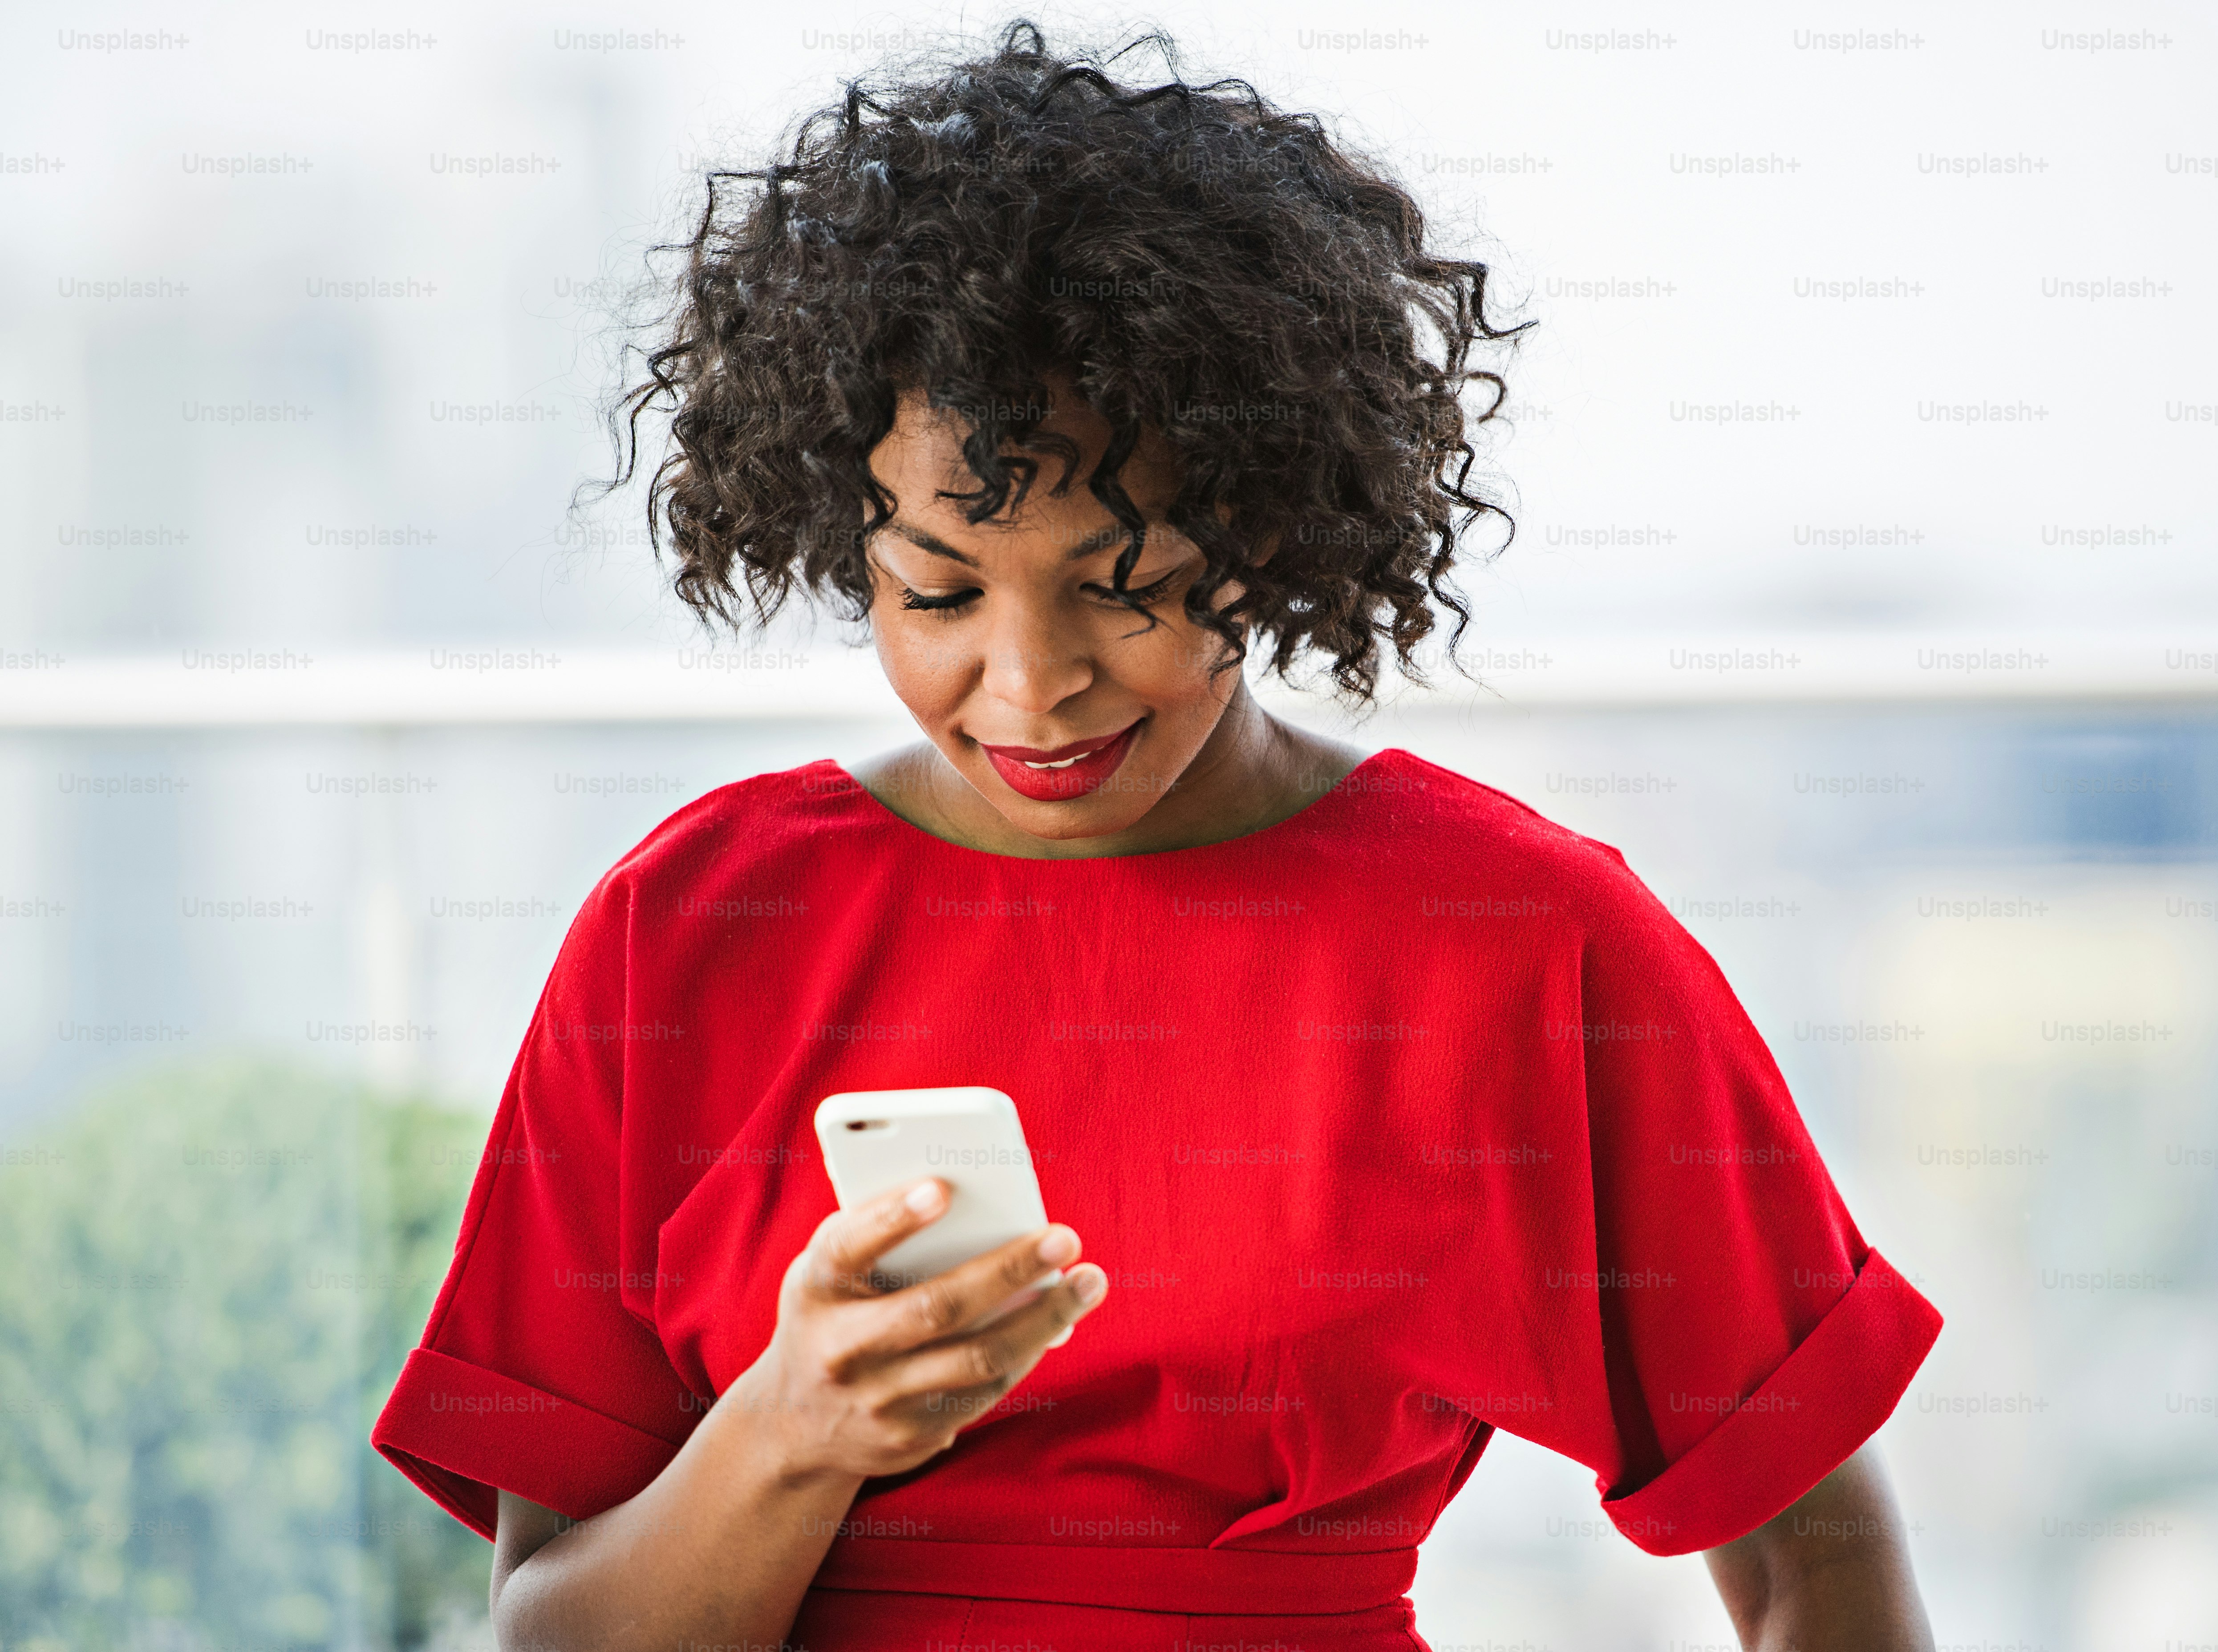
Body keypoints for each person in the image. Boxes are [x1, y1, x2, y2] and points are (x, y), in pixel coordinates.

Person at [371, 21, 1942, 1650]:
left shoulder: (1521, 939)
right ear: (846, 544)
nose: (1033, 686)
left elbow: (1817, 1564)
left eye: (1123, 585)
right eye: (939, 593)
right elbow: (546, 1630)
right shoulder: (691, 926)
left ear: (1269, 523)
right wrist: (793, 1431)